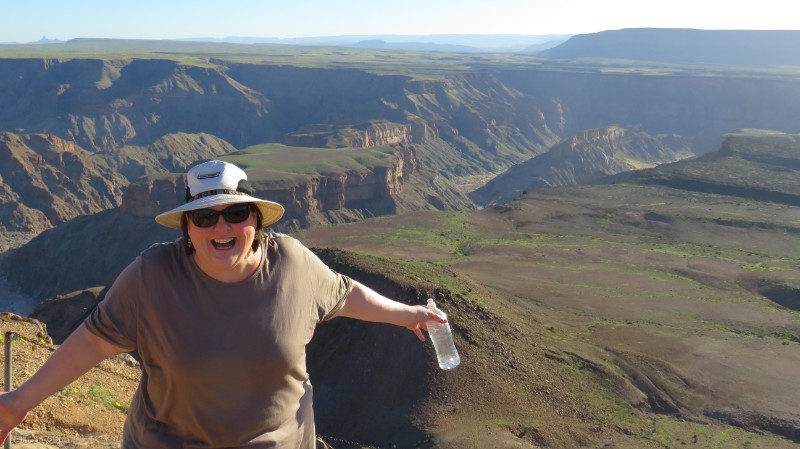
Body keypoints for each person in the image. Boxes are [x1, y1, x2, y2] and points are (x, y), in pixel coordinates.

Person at [0, 160, 446, 448]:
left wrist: (407, 315)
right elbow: (92, 343)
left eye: (235, 213)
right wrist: (19, 402)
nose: (221, 227)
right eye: (204, 216)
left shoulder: (292, 263)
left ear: (254, 217)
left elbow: (346, 293)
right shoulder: (152, 275)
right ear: (187, 227)